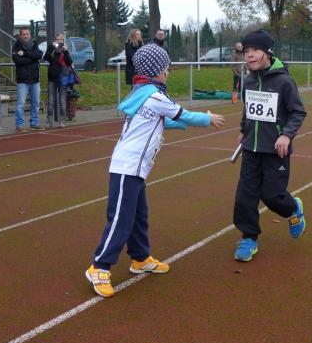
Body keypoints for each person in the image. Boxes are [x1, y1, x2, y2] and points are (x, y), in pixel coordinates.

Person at [85, 44, 225, 298]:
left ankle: (140, 258)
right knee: (120, 219)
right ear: (155, 70)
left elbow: (158, 120)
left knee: (139, 215)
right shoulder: (154, 96)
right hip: (127, 167)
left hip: (137, 168)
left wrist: (178, 125)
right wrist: (207, 119)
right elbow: (184, 114)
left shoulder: (144, 93)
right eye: (165, 67)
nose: (168, 71)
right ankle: (100, 266)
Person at [233, 29, 307, 262]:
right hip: (251, 149)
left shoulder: (284, 82)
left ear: (267, 52)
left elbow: (298, 112)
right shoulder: (248, 81)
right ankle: (249, 237)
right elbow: (248, 110)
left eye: (255, 50)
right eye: (246, 51)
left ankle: (293, 208)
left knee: (272, 196)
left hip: (275, 150)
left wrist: (286, 135)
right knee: (245, 196)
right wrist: (243, 130)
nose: (249, 55)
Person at [12, 28, 42, 132]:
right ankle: (19, 125)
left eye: (27, 34)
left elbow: (39, 55)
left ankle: (34, 123)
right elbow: (18, 61)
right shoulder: (16, 46)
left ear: (30, 35)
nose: (25, 36)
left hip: (35, 79)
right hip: (22, 80)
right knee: (20, 104)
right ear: (20, 35)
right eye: (23, 34)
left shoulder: (35, 44)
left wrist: (24, 53)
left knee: (36, 103)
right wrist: (33, 58)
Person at [43, 33, 73, 129]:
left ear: (63, 41)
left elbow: (69, 62)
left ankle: (62, 121)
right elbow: (46, 57)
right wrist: (52, 47)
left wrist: (66, 51)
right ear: (55, 40)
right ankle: (49, 121)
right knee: (51, 101)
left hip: (63, 78)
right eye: (57, 39)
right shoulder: (51, 49)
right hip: (52, 77)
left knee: (62, 100)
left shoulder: (65, 50)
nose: (59, 41)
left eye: (61, 40)